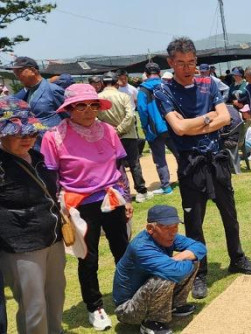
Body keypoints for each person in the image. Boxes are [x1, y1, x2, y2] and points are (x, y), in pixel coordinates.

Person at [153, 37, 251, 301]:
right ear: (170, 63)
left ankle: (237, 257)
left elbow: (225, 118)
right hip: (191, 165)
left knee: (230, 214)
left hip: (216, 160)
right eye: (181, 63)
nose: (187, 68)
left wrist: (194, 123)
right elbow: (178, 129)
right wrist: (207, 119)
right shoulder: (162, 91)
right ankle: (199, 272)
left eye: (191, 62)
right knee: (194, 222)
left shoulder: (208, 83)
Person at [40, 84, 133, 331]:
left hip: (112, 198)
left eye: (93, 105)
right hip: (79, 205)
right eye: (81, 105)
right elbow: (51, 177)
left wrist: (127, 197)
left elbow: (119, 166)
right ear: (69, 108)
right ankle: (95, 307)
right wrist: (58, 212)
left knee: (123, 251)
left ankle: (127, 295)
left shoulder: (109, 131)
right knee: (88, 258)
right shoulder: (54, 136)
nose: (88, 110)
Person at [0, 97, 66, 334]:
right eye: (19, 133)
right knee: (33, 307)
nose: (28, 138)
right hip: (21, 246)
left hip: (52, 239)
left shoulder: (37, 157)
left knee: (56, 297)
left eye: (31, 132)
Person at [113, 205, 206, 334]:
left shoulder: (169, 237)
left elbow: (200, 247)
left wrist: (181, 256)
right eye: (167, 227)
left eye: (175, 226)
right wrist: (184, 260)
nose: (173, 232)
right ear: (150, 229)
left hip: (145, 294)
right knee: (166, 276)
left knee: (191, 259)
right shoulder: (141, 248)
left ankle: (175, 306)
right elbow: (176, 273)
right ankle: (151, 322)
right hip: (128, 310)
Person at [98, 71, 153, 203]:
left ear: (103, 83)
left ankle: (121, 192)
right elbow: (131, 116)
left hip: (108, 137)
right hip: (128, 135)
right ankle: (141, 192)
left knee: (116, 165)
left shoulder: (98, 98)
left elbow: (96, 119)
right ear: (116, 83)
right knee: (134, 164)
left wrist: (112, 131)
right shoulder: (123, 96)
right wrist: (120, 129)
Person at [137, 62, 179, 196]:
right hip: (172, 125)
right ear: (159, 72)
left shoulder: (143, 90)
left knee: (160, 159)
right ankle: (186, 178)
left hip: (154, 130)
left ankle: (166, 187)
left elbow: (142, 111)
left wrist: (145, 127)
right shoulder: (166, 85)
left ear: (146, 74)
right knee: (179, 153)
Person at [6, 57, 65, 143]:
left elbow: (69, 116)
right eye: (15, 74)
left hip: (55, 143)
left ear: (33, 70)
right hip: (35, 144)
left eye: (19, 72)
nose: (17, 77)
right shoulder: (27, 92)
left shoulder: (53, 90)